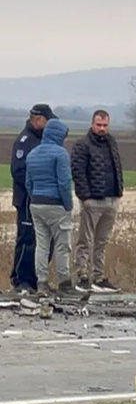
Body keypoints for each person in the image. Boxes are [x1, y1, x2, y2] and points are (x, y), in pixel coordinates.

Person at [71, 110, 123, 293]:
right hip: (92, 200)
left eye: (105, 125)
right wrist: (84, 197)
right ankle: (82, 276)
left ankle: (99, 276)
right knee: (85, 240)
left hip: (111, 199)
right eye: (99, 125)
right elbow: (78, 172)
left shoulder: (112, 143)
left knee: (102, 241)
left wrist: (119, 192)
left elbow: (117, 167)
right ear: (92, 124)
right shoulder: (82, 145)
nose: (102, 128)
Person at [10, 104, 57, 294]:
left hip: (43, 199)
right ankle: (21, 279)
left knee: (45, 241)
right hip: (27, 198)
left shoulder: (44, 141)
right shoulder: (25, 141)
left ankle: (39, 279)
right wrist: (36, 187)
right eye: (47, 121)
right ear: (37, 120)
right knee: (27, 239)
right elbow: (18, 171)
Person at [25, 119, 74, 295]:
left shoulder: (32, 154)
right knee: (62, 245)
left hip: (36, 204)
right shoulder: (60, 154)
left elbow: (28, 183)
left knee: (42, 245)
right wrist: (68, 204)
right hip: (56, 205)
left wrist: (35, 197)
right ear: (58, 135)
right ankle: (65, 283)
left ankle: (42, 283)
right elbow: (64, 183)